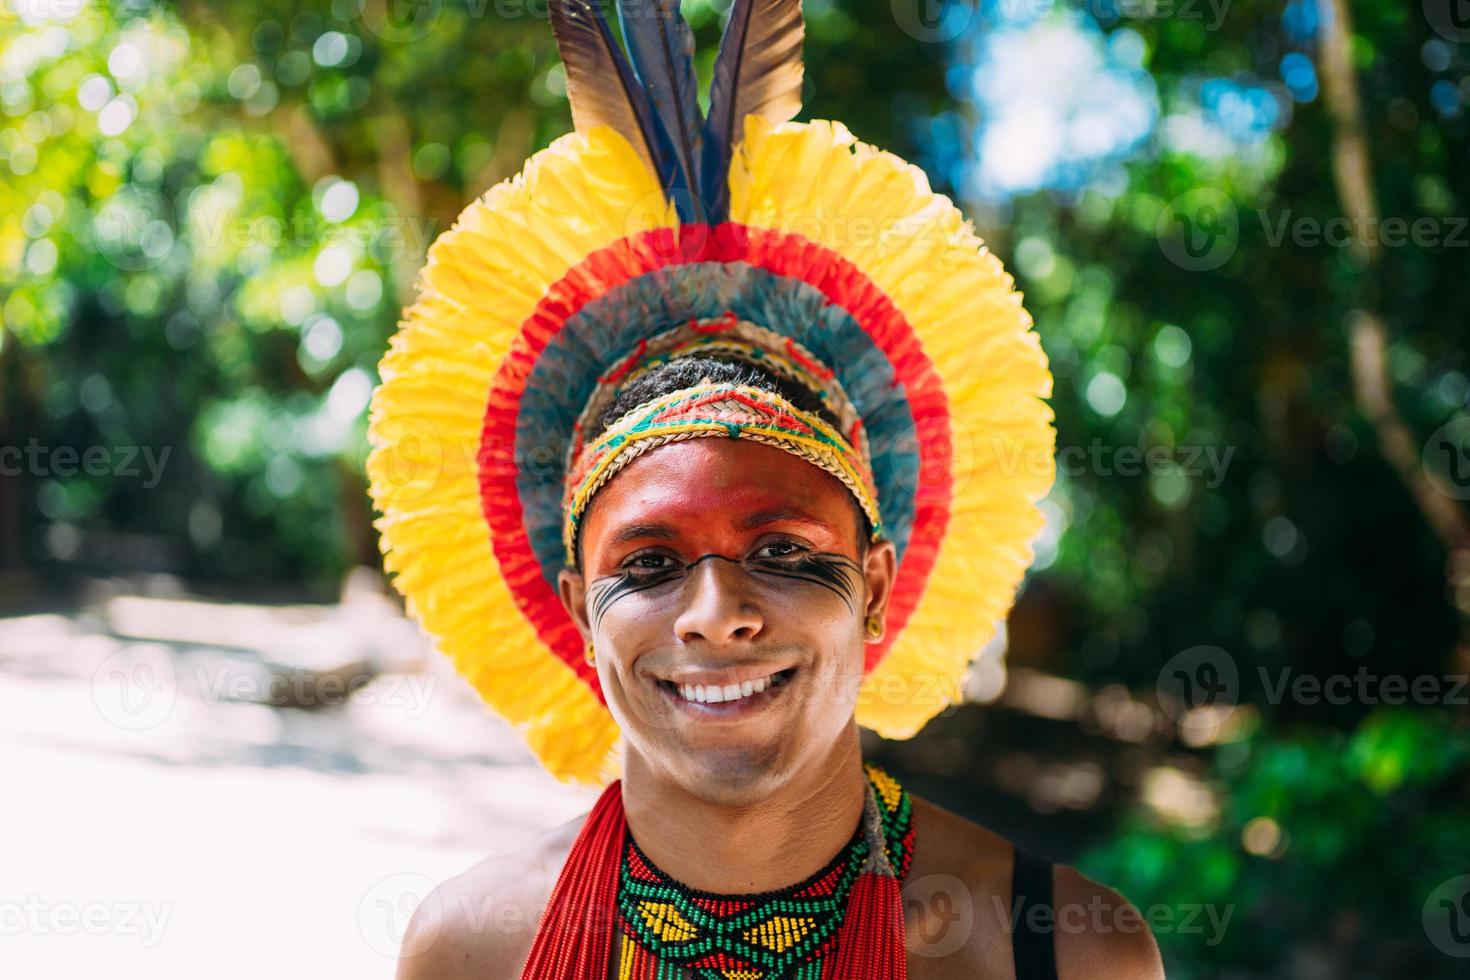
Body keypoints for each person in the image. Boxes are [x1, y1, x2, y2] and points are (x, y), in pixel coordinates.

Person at [367, 1, 1165, 976]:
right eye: (650, 562)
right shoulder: (474, 949)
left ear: (874, 585)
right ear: (579, 611)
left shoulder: (1059, 949)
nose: (716, 614)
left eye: (785, 550)